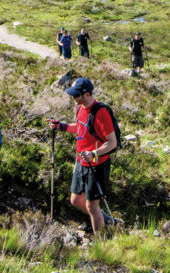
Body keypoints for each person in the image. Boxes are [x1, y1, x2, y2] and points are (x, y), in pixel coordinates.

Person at [46, 77, 117, 236]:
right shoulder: (80, 107)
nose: (73, 98)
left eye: (76, 95)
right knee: (76, 200)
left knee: (92, 206)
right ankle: (108, 222)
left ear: (86, 94)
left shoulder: (101, 113)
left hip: (97, 164)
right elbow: (80, 128)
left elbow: (112, 143)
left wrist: (93, 154)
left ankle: (101, 243)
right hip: (81, 162)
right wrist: (61, 126)